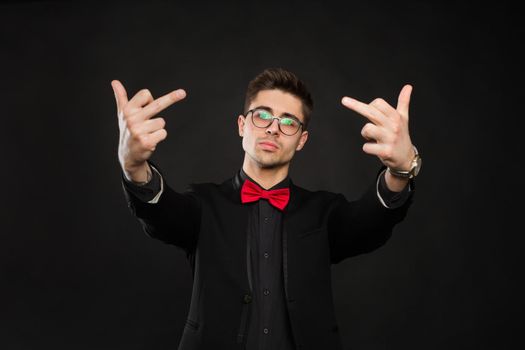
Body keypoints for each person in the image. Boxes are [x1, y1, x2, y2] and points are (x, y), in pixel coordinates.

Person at [111, 68, 421, 350]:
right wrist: (134, 166)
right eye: (263, 116)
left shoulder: (324, 212)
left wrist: (400, 171)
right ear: (242, 125)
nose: (274, 128)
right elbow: (160, 212)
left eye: (288, 122)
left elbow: (370, 223)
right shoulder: (204, 205)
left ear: (301, 140)